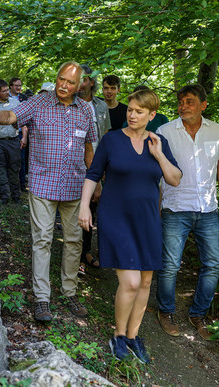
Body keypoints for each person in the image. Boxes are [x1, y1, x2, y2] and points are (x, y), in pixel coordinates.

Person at [0, 61, 97, 322]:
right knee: (42, 240)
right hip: (43, 186)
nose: (64, 86)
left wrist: (95, 182)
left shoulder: (85, 111)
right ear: (56, 79)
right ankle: (42, 298)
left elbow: (89, 148)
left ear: (80, 85)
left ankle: (69, 292)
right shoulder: (39, 103)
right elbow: (11, 116)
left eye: (70, 82)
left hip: (75, 187)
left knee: (74, 242)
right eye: (61, 79)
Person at [79, 89, 182, 363]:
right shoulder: (112, 140)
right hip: (116, 217)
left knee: (146, 280)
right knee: (132, 281)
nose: (132, 115)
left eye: (139, 111)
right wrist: (83, 206)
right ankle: (119, 336)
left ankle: (134, 337)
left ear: (151, 115)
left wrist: (159, 155)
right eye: (130, 110)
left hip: (147, 219)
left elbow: (174, 179)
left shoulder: (158, 142)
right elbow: (92, 174)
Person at [156, 84, 219, 341]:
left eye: (189, 101)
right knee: (169, 266)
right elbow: (157, 174)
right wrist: (155, 209)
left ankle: (198, 314)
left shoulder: (218, 131)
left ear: (203, 105)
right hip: (175, 208)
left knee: (212, 265)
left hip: (208, 209)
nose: (183, 106)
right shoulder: (164, 132)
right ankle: (165, 311)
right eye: (180, 101)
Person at [77, 64, 112, 273]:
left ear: (91, 82)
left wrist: (107, 165)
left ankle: (86, 252)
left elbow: (106, 136)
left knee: (93, 207)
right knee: (77, 208)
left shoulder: (101, 106)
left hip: (97, 161)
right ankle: (77, 256)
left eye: (83, 80)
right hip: (75, 162)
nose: (80, 84)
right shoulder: (70, 104)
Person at [9, 77, 29, 191]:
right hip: (8, 133)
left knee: (21, 160)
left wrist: (25, 136)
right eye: (16, 85)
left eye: (20, 85)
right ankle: (11, 186)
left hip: (21, 133)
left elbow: (26, 117)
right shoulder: (6, 98)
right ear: (11, 86)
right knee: (10, 161)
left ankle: (22, 185)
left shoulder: (24, 98)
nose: (18, 87)